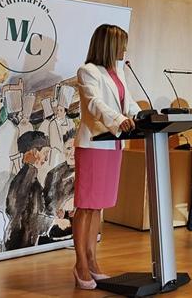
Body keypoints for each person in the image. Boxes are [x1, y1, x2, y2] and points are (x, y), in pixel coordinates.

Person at [73, 24, 139, 290]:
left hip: (113, 146)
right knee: (86, 205)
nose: (125, 49)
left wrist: (139, 114)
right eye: (122, 44)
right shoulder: (87, 71)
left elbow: (128, 101)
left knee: (98, 205)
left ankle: (92, 259)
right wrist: (119, 119)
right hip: (93, 145)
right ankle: (80, 264)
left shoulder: (118, 71)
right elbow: (94, 103)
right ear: (109, 45)